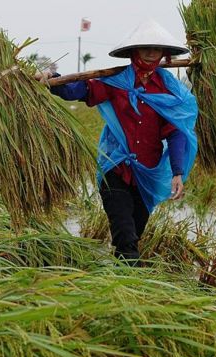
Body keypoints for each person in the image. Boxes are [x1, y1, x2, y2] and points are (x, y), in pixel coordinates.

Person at [40, 19, 198, 266]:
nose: (151, 52)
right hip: (115, 169)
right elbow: (79, 91)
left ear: (164, 53)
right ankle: (132, 290)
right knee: (125, 237)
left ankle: (116, 285)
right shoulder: (116, 82)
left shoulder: (170, 91)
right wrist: (53, 79)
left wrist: (177, 171)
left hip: (148, 174)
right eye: (145, 47)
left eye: (156, 48)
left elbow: (176, 132)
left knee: (133, 235)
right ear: (133, 51)